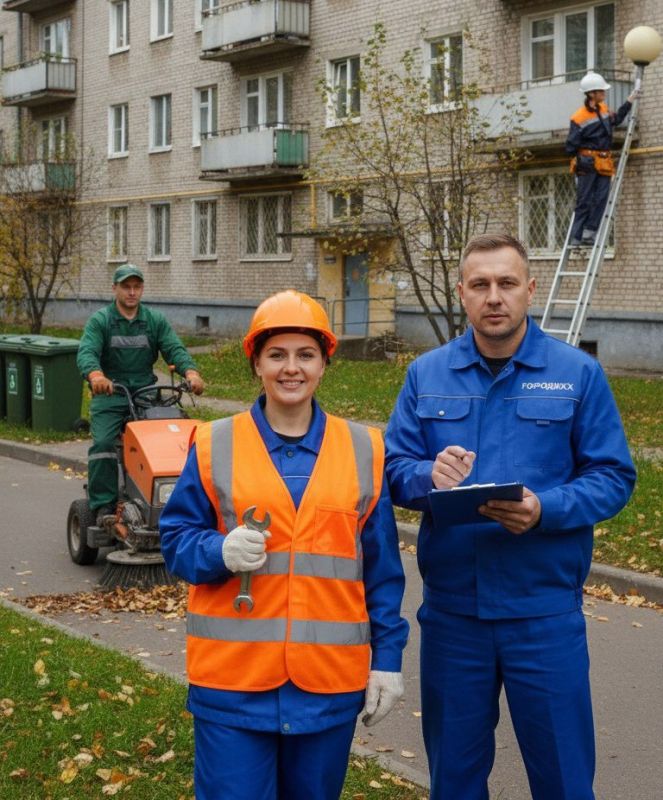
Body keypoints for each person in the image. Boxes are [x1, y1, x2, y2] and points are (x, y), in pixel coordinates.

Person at [385, 233, 635, 800]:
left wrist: (546, 509)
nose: (493, 297)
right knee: (454, 780)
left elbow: (614, 477)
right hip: (454, 618)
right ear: (462, 294)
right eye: (480, 285)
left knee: (565, 780)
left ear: (529, 289)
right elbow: (393, 469)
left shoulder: (576, 373)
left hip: (542, 613)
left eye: (505, 284)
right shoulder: (427, 375)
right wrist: (429, 476)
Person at [159, 290, 409, 800]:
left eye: (305, 355)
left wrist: (387, 660)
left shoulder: (364, 450)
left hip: (327, 687)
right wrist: (216, 552)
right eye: (277, 355)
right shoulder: (213, 444)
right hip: (233, 685)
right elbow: (176, 539)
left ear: (323, 365)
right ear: (256, 363)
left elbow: (381, 571)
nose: (290, 368)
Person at [77, 264, 204, 524]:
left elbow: (174, 348)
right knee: (103, 445)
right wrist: (96, 376)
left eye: (136, 287)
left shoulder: (154, 320)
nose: (132, 292)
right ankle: (103, 505)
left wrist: (190, 372)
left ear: (142, 289)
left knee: (180, 440)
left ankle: (175, 499)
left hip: (147, 394)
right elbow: (87, 352)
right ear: (115, 289)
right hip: (111, 395)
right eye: (126, 287)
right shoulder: (101, 321)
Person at [566, 70, 638, 246]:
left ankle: (589, 234)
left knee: (601, 199)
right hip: (587, 163)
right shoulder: (579, 117)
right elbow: (570, 146)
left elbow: (617, 119)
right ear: (592, 94)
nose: (604, 94)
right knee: (584, 201)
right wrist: (581, 162)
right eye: (601, 91)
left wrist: (629, 101)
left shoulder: (604, 110)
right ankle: (576, 236)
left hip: (604, 162)